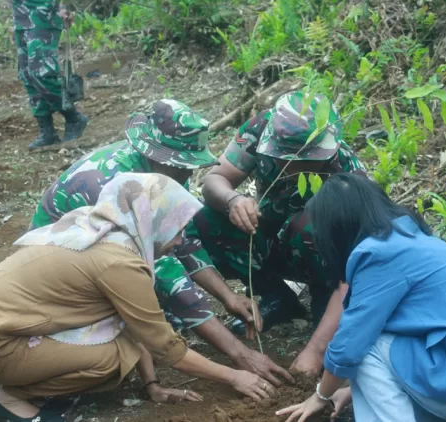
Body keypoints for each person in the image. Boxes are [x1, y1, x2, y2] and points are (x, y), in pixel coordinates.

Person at [0, 174, 276, 422]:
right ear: (152, 221)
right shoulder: (120, 262)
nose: (179, 241)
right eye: (176, 230)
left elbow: (133, 324)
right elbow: (164, 346)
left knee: (125, 347)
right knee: (114, 360)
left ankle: (26, 375)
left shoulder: (99, 226)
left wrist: (153, 385)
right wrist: (236, 375)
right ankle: (11, 396)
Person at [29, 99, 292, 386]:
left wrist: (228, 298)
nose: (189, 174)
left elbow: (182, 238)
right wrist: (238, 353)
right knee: (121, 354)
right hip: (59, 273)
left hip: (101, 259)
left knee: (168, 321)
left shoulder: (164, 174)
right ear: (159, 157)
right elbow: (167, 274)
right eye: (184, 166)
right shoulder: (119, 184)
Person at [275, 173, 446, 422]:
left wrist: (319, 396)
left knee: (365, 346)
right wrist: (356, 392)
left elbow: (350, 345)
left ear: (337, 226)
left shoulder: (377, 253)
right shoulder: (414, 241)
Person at [193, 90, 366, 375]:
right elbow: (214, 179)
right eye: (282, 156)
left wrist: (317, 348)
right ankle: (277, 297)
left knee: (311, 225)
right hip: (266, 236)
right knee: (204, 217)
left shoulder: (347, 173)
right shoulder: (261, 127)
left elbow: (355, 263)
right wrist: (233, 201)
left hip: (323, 258)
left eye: (303, 158)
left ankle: (322, 302)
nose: (289, 165)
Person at [12, 0, 89, 149]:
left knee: (40, 73)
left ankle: (73, 117)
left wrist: (63, 6)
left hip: (44, 15)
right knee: (27, 74)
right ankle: (47, 131)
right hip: (21, 17)